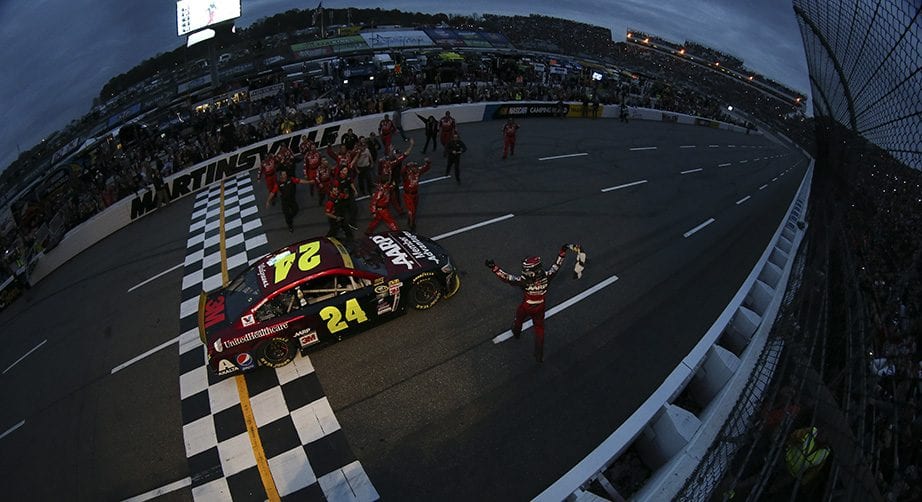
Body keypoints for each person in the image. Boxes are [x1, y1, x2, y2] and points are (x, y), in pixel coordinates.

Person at [485, 248, 569, 363]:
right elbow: (556, 266)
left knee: (519, 317)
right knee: (539, 329)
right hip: (540, 306)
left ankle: (516, 332)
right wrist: (562, 254)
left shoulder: (524, 281)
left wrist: (494, 268)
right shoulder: (546, 276)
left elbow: (507, 278)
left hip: (527, 306)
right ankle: (539, 354)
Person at [402, 157, 431, 232]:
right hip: (408, 195)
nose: (415, 168)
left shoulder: (418, 171)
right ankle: (412, 225)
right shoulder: (407, 173)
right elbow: (402, 172)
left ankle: (409, 219)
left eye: (416, 166)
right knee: (412, 210)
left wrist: (428, 162)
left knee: (414, 209)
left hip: (415, 194)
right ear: (410, 168)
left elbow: (426, 167)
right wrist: (406, 166)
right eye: (413, 167)